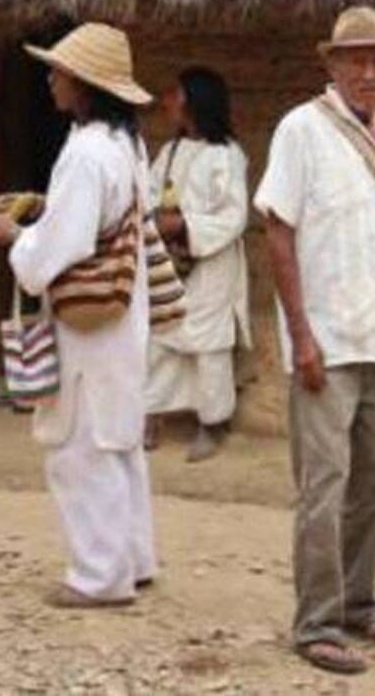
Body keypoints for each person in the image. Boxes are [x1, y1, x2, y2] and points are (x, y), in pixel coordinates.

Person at [255, 6, 375, 675]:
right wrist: (300, 335)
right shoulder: (302, 129)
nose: (370, 70)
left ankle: (357, 601)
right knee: (324, 484)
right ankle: (317, 623)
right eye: (356, 59)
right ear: (331, 65)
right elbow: (278, 232)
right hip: (325, 339)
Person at [0, 23, 157, 608]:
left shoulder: (83, 153)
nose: (50, 80)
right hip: (123, 319)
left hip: (89, 328)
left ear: (83, 85)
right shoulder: (128, 146)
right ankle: (133, 558)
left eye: (58, 72)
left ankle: (99, 577)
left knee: (81, 444)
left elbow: (63, 248)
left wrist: (14, 236)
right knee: (118, 438)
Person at [143, 68, 251, 462]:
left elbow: (233, 217)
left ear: (194, 100)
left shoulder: (227, 156)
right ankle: (151, 414)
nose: (168, 100)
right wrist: (158, 219)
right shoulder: (168, 153)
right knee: (159, 338)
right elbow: (150, 194)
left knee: (209, 346)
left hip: (210, 266)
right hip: (170, 264)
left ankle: (212, 422)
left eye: (175, 93)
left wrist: (186, 226)